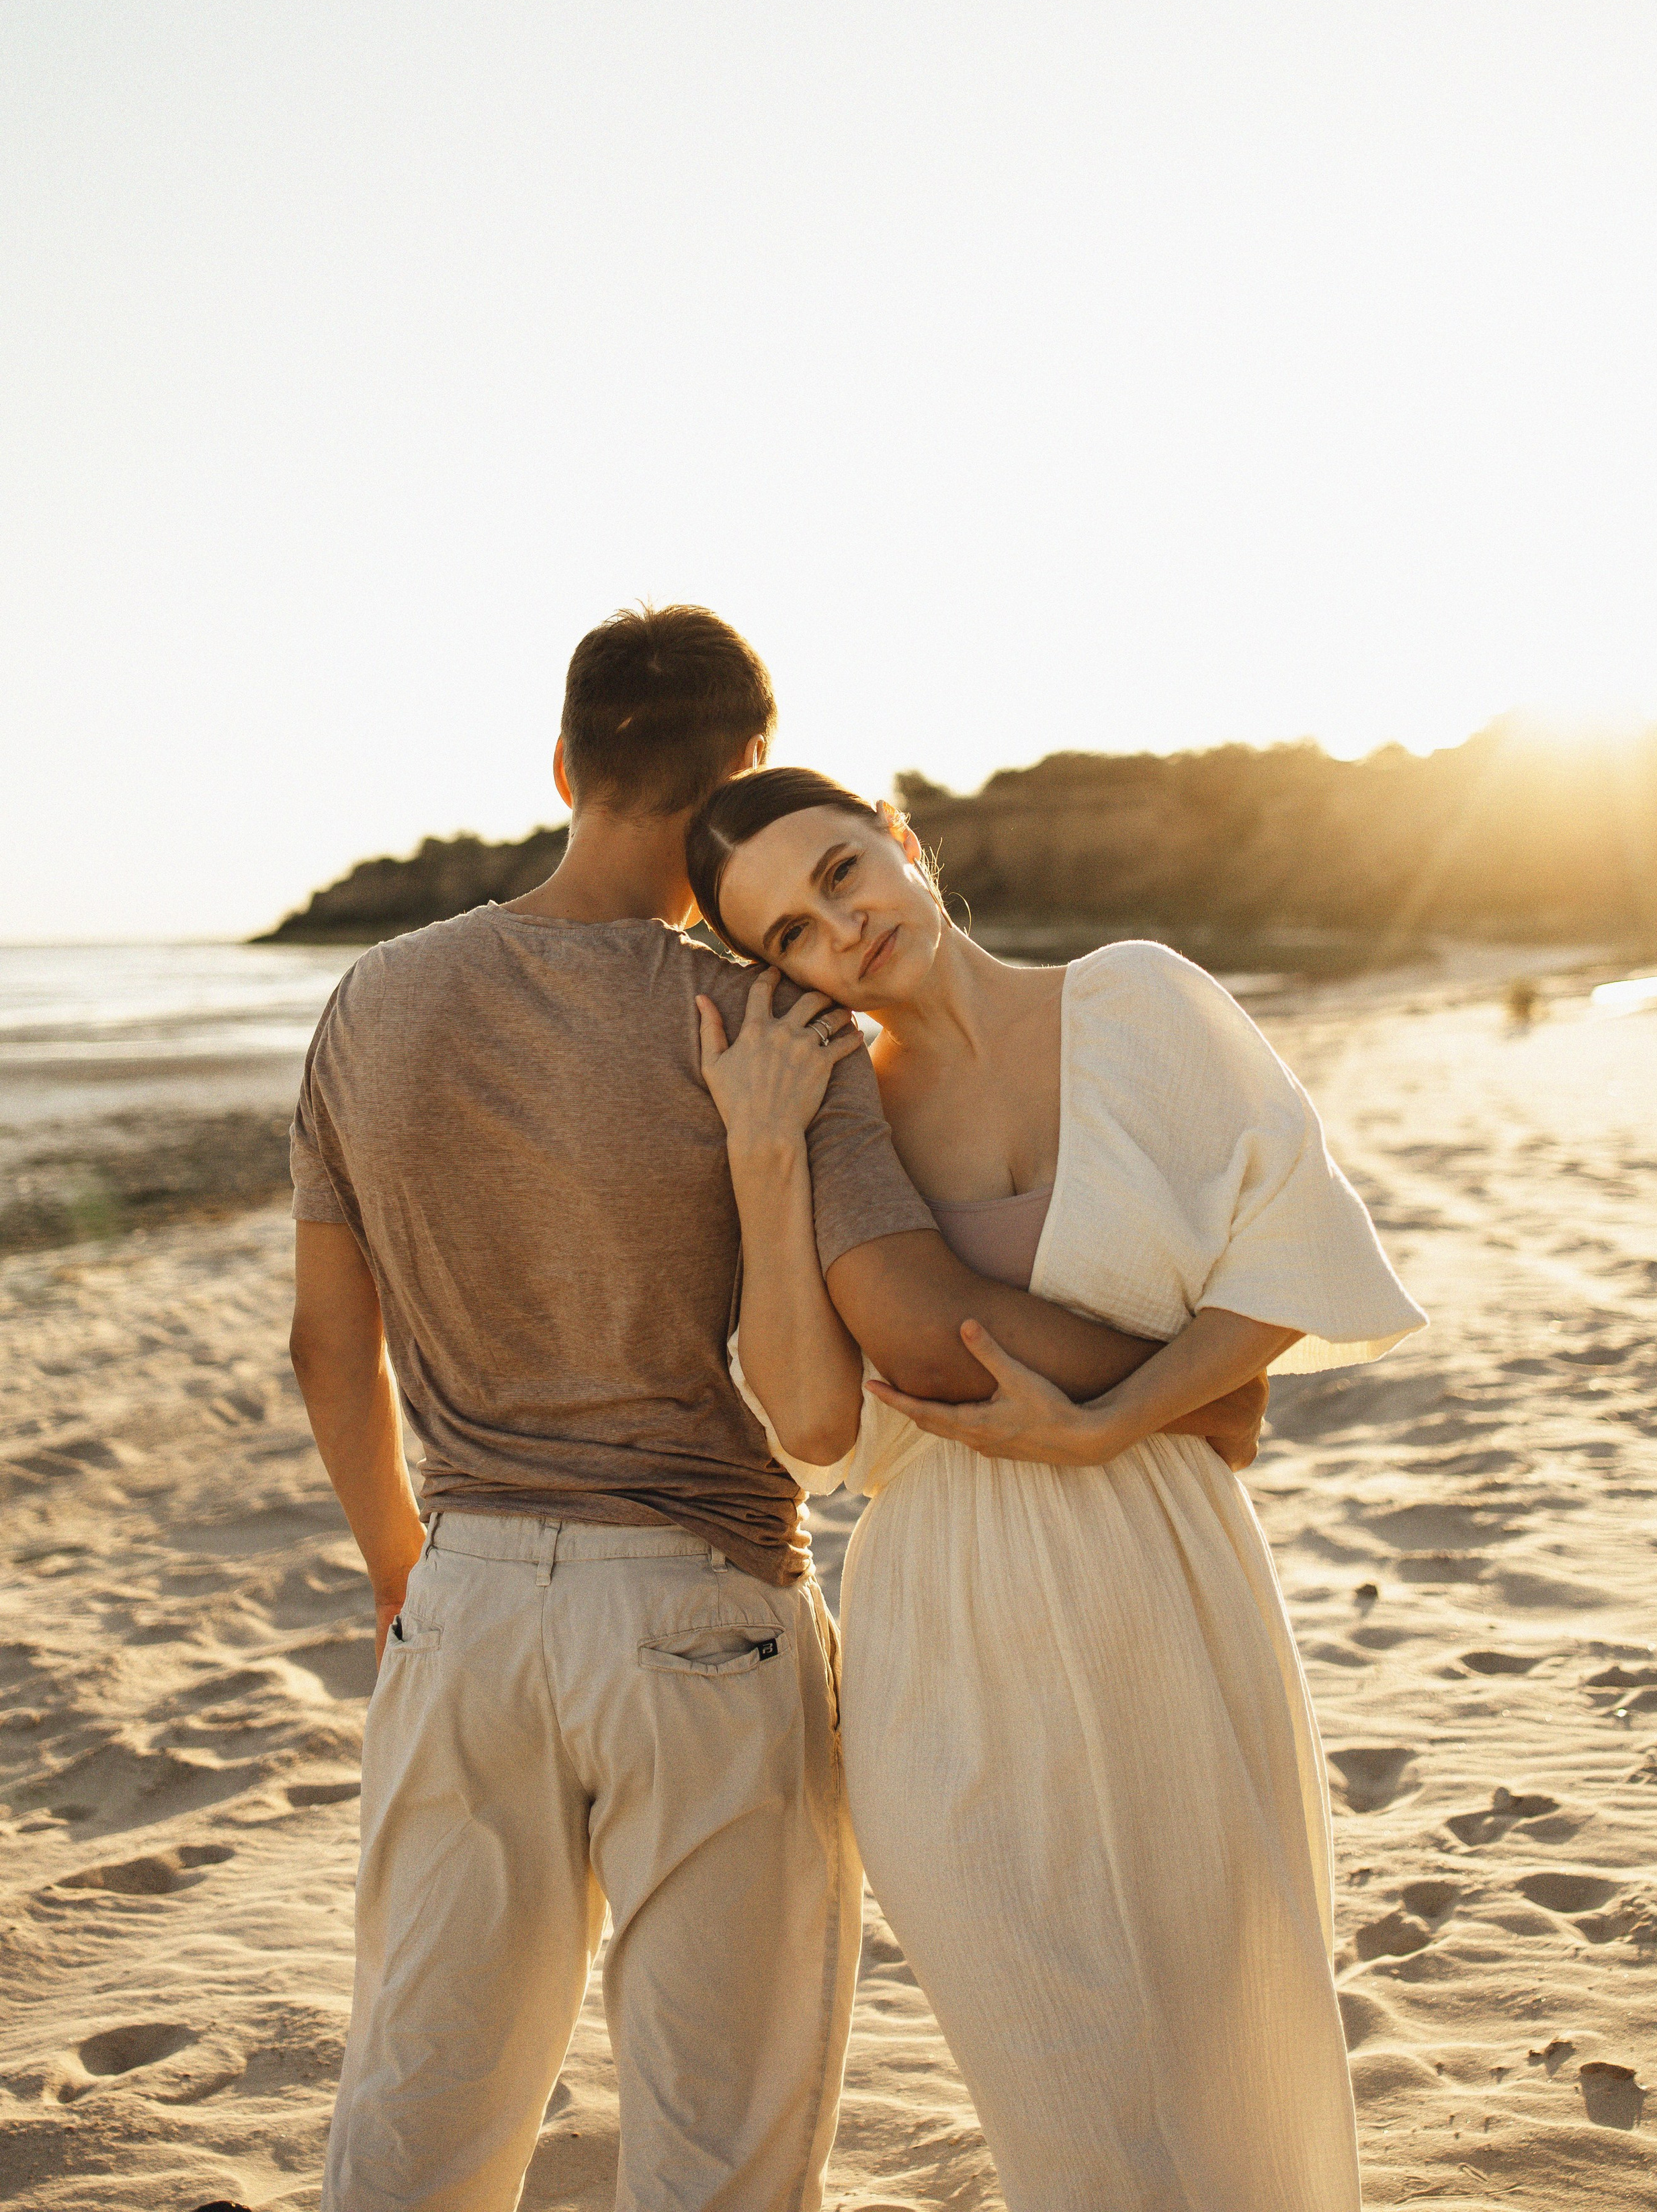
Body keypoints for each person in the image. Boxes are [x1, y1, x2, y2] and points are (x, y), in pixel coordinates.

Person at [288, 606, 1265, 2212]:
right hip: (699, 1608)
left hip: (459, 1606)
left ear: (560, 763)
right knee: (719, 2149)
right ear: (744, 779)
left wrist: (404, 1564)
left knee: (415, 2110)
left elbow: (334, 1349)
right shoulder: (764, 1022)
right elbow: (906, 1316)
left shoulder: (372, 1003)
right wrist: (1185, 1396)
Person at [684, 767, 1428, 2212]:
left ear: (901, 841)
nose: (837, 930)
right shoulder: (835, 1119)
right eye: (786, 937)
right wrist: (762, 1151)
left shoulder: (1137, 1000)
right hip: (937, 1628)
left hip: (1162, 1566)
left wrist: (1111, 1424)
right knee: (1059, 2089)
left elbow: (1287, 1252)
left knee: (1230, 2052)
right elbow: (814, 1428)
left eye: (841, 873)